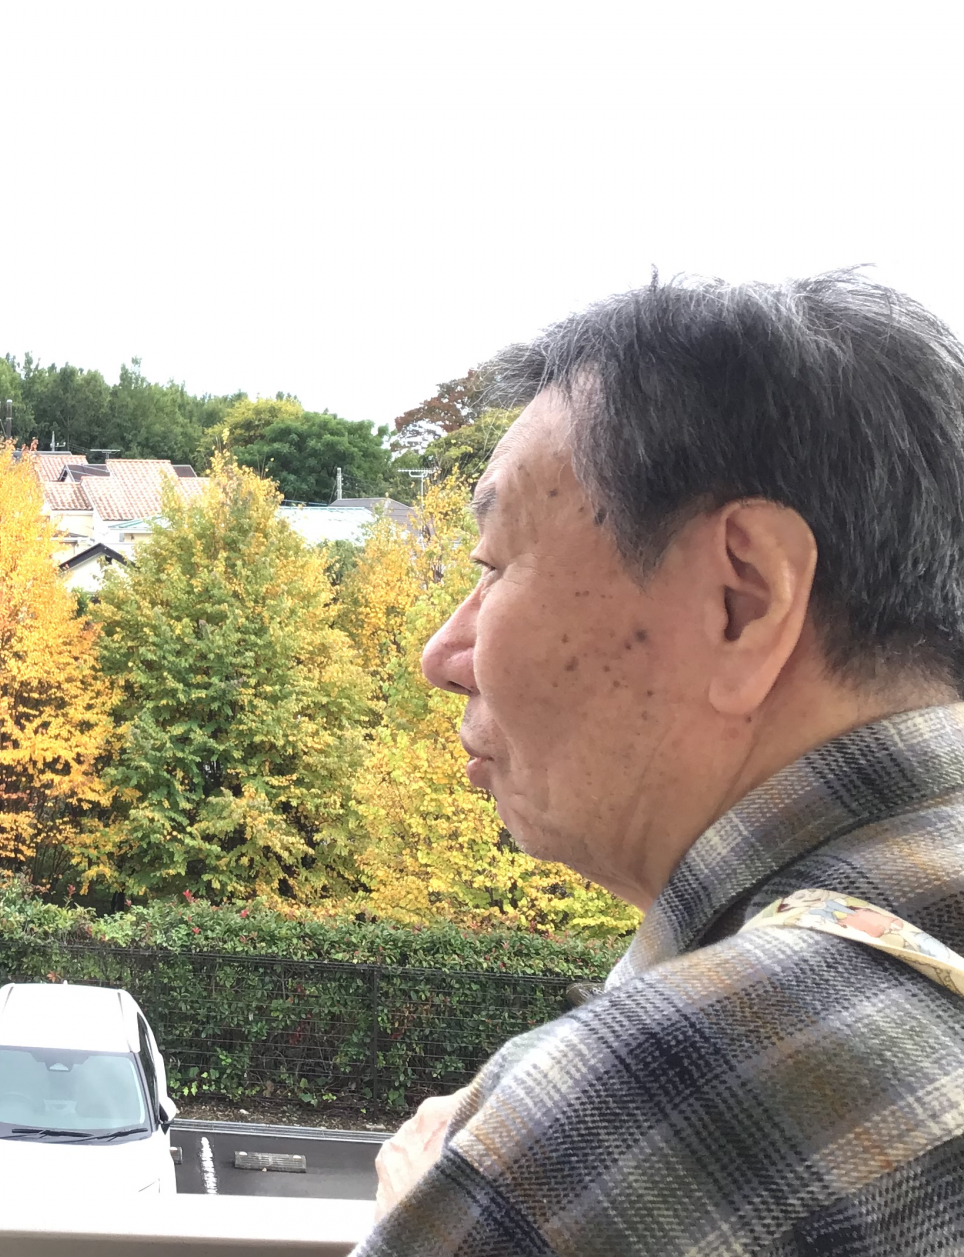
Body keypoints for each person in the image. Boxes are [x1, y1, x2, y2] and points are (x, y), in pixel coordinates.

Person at [360, 272, 964, 1255]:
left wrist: (417, 1212)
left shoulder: (649, 1103)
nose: (443, 654)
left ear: (743, 600)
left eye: (493, 565)